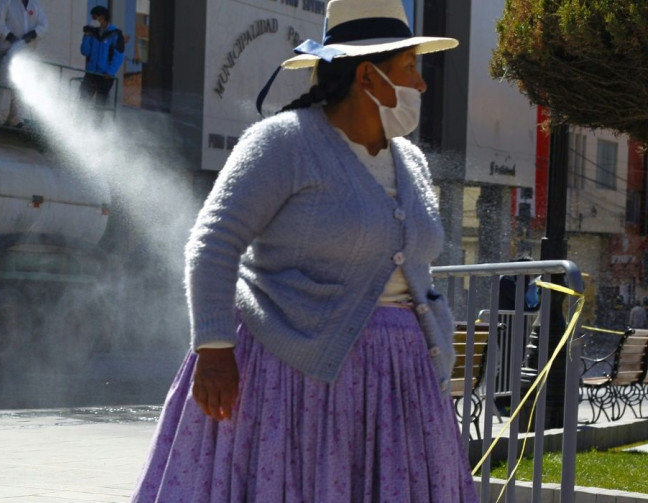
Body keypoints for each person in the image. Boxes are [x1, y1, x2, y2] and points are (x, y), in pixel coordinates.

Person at [131, 0, 478, 501]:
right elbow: (214, 242)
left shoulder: (412, 161)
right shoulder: (282, 144)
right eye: (409, 68)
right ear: (368, 76)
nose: (421, 85)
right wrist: (213, 349)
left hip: (403, 386)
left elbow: (416, 266)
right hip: (295, 378)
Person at [0, 0, 48, 127]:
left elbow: (44, 25)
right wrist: (9, 36)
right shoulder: (6, 3)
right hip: (5, 53)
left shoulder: (35, 7)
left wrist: (34, 33)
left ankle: (16, 119)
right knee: (3, 84)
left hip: (24, 55)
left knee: (20, 87)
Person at [79, 6, 125, 108]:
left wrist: (110, 72)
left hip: (105, 75)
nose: (93, 20)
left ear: (103, 18)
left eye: (95, 18)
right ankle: (77, 121)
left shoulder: (115, 34)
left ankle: (98, 123)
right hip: (91, 73)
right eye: (92, 18)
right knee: (82, 101)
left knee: (100, 105)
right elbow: (84, 51)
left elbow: (119, 55)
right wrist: (86, 35)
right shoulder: (92, 32)